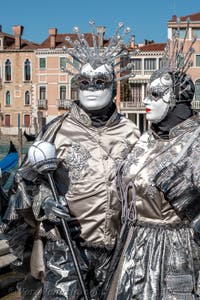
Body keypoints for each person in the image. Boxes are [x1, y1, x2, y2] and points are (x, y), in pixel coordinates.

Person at [3, 21, 140, 300]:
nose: (91, 88)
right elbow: (25, 182)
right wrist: (45, 202)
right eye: (84, 82)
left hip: (117, 250)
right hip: (65, 247)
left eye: (100, 82)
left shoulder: (132, 132)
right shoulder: (55, 129)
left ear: (113, 86)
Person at [108, 28, 200, 299]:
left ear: (176, 100)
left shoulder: (196, 141)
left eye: (157, 94)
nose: (146, 100)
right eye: (148, 93)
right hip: (132, 246)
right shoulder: (145, 140)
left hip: (174, 251)